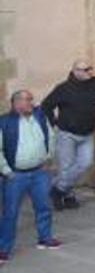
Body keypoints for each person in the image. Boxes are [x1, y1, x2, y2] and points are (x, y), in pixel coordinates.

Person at [40, 59, 95, 210]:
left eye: (90, 68)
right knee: (66, 168)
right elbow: (46, 105)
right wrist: (54, 122)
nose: (90, 71)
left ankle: (58, 189)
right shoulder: (63, 88)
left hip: (87, 133)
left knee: (85, 163)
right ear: (76, 72)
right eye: (86, 69)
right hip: (67, 134)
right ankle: (67, 195)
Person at [1, 89, 61, 264]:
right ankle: (3, 249)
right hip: (15, 176)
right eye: (28, 100)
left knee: (44, 207)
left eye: (32, 99)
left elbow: (50, 136)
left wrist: (48, 157)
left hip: (40, 172)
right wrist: (7, 171)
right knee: (10, 213)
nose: (32, 103)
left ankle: (45, 238)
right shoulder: (4, 122)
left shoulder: (39, 116)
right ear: (17, 103)